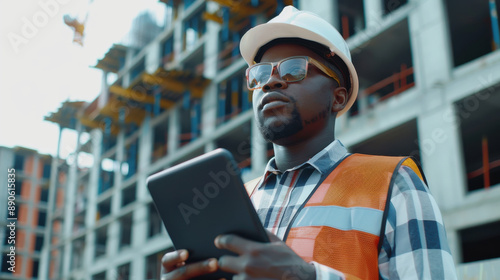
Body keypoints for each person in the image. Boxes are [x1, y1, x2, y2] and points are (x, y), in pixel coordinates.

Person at [161, 6, 457, 280]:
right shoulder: (238, 200)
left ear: (337, 97)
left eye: (294, 69)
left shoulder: (393, 182)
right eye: (260, 74)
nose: (270, 82)